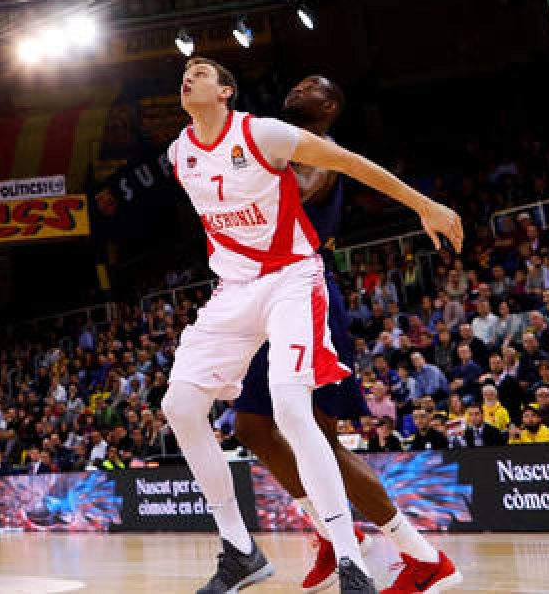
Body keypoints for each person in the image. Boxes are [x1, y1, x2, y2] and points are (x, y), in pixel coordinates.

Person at [162, 58, 462, 594]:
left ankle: (366, 555)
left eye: (203, 71)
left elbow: (348, 163)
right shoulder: (180, 152)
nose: (190, 75)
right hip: (236, 291)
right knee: (202, 412)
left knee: (298, 416)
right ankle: (247, 547)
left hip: (298, 284)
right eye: (187, 70)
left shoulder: (274, 138)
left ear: (227, 91)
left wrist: (425, 204)